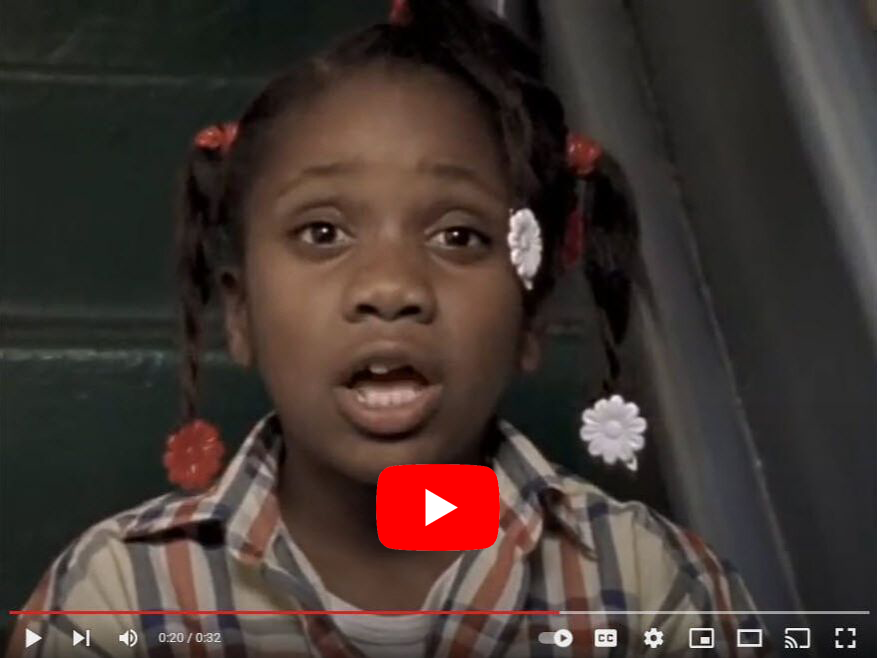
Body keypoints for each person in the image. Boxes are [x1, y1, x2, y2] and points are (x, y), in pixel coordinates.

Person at [7, 1, 768, 656]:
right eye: (322, 233)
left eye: (459, 237)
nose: (390, 288)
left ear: (530, 319)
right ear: (238, 315)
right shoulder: (113, 599)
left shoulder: (654, 592)